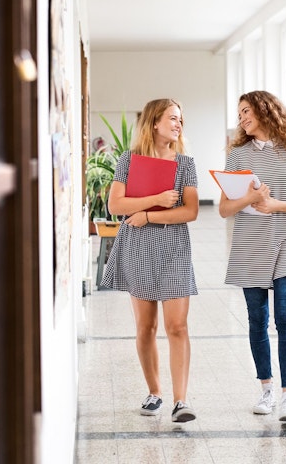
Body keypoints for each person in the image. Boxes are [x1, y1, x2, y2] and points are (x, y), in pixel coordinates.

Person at [219, 90, 286, 423]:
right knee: (256, 317)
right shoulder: (237, 157)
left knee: (285, 316)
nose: (243, 119)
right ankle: (266, 388)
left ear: (265, 111)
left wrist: (276, 204)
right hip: (250, 241)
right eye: (240, 114)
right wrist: (249, 198)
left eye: (247, 111)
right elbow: (223, 209)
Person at [100, 98, 199, 423]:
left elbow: (191, 211)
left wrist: (148, 215)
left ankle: (181, 400)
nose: (178, 124)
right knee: (146, 327)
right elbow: (116, 204)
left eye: (180, 120)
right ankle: (154, 392)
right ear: (154, 122)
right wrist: (155, 201)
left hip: (173, 247)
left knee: (177, 326)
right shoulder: (128, 160)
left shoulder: (185, 164)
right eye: (172, 118)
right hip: (138, 246)